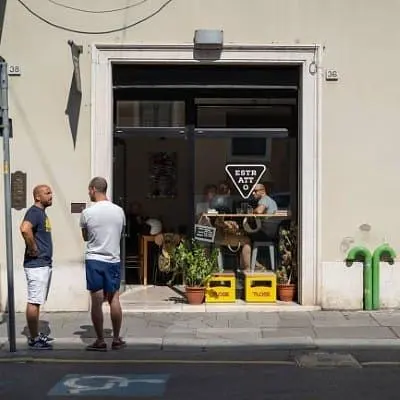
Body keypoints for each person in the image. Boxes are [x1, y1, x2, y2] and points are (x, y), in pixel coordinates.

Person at [80, 177, 126, 351]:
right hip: (113, 259)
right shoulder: (119, 211)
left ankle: (100, 340)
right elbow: (120, 233)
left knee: (96, 301)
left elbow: (85, 237)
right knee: (114, 298)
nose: (88, 193)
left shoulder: (87, 213)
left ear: (93, 189)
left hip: (94, 260)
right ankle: (116, 338)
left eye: (89, 190)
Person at [20, 184, 54, 350]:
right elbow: (25, 229)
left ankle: (35, 335)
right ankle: (34, 339)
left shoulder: (41, 213)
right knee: (34, 301)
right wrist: (33, 248)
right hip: (37, 264)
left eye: (51, 192)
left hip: (42, 264)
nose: (51, 195)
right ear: (37, 197)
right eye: (47, 193)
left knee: (37, 300)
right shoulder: (34, 212)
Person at [241, 183, 278, 270]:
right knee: (247, 234)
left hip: (266, 233)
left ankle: (248, 266)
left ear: (262, 191)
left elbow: (259, 211)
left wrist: (251, 211)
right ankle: (256, 262)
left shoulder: (264, 199)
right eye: (253, 191)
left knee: (244, 237)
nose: (253, 193)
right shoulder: (271, 200)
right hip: (272, 233)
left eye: (255, 191)